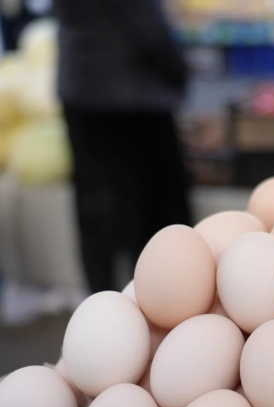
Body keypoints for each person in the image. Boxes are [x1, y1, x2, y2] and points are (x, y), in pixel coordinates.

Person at [52, 0, 193, 293]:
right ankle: (151, 301)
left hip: (83, 83)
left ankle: (100, 297)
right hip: (134, 93)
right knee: (147, 213)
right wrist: (178, 67)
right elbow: (145, 24)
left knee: (95, 207)